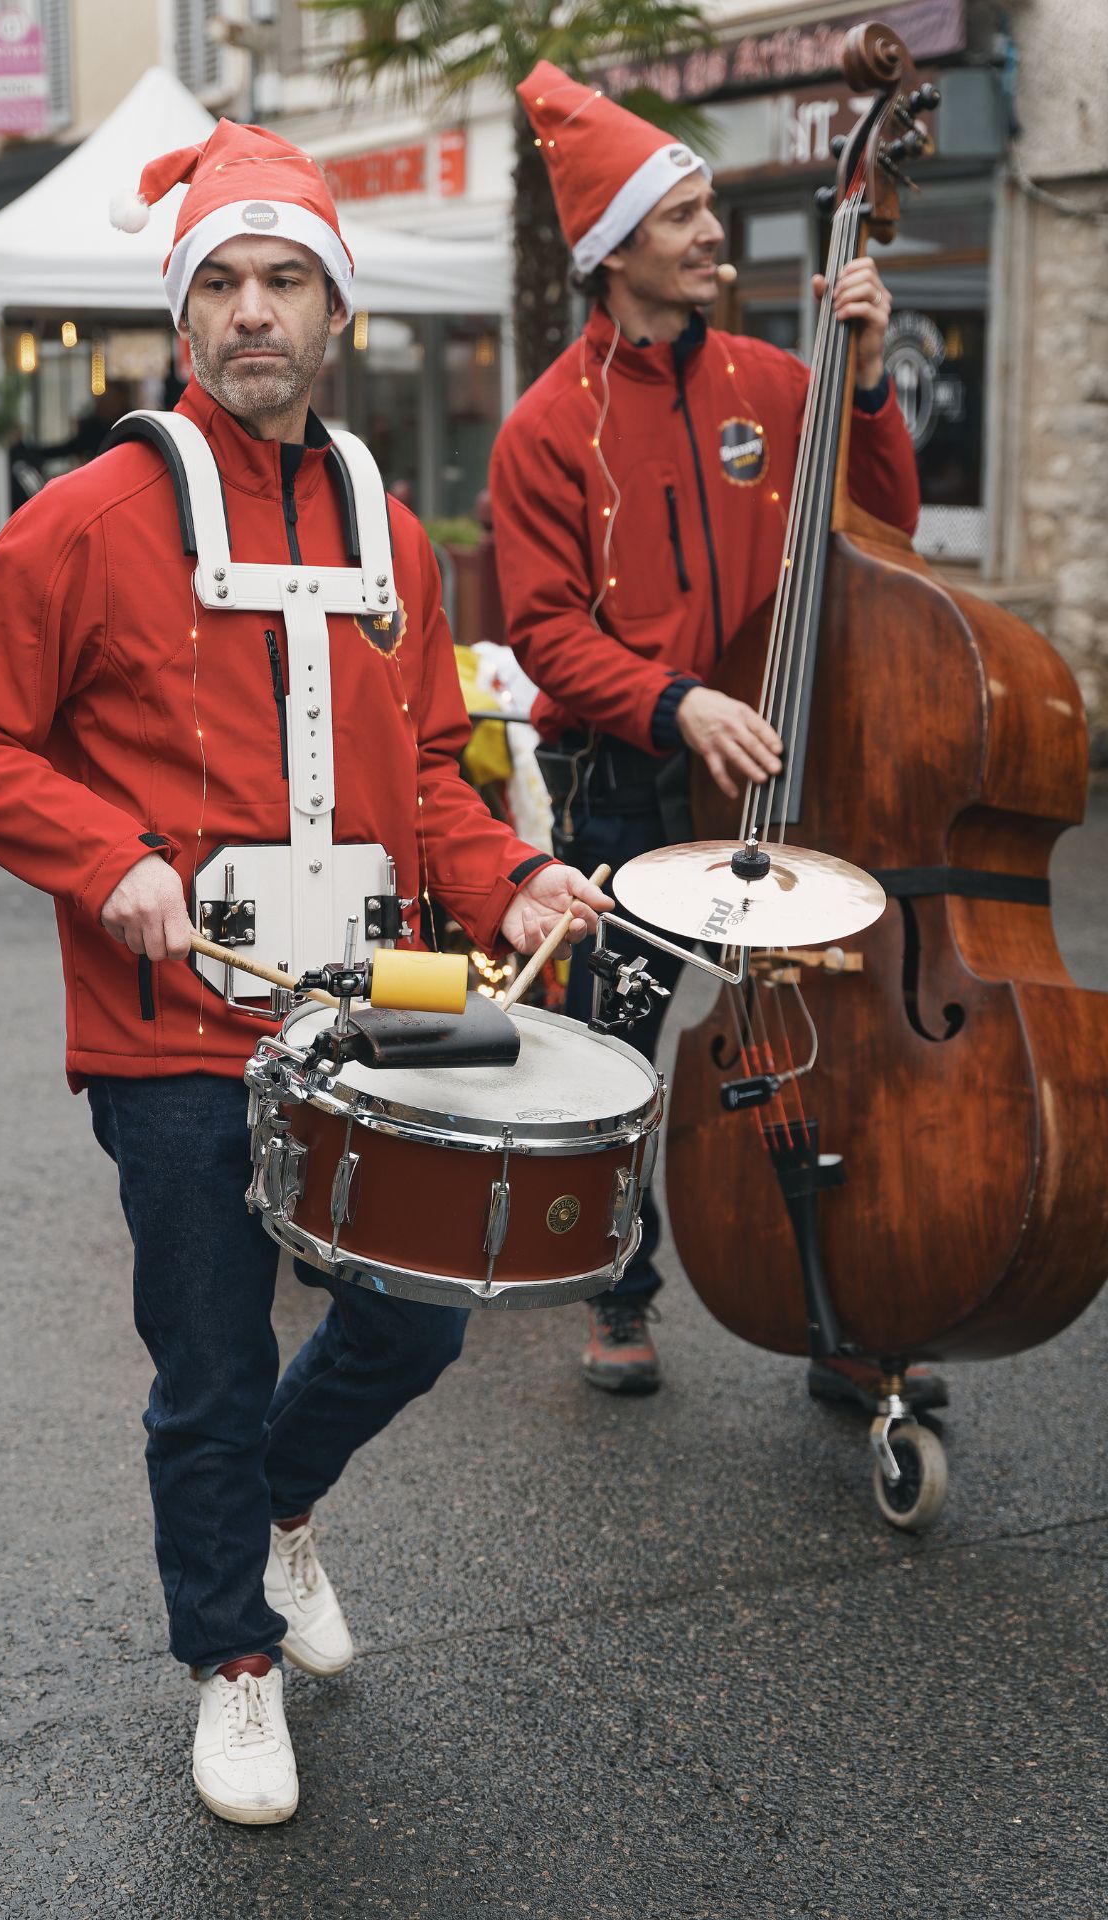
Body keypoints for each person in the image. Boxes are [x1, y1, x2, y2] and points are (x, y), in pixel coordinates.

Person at [0, 119, 611, 1827]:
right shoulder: (85, 518)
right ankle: (231, 1663)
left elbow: (435, 762)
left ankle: (280, 1512)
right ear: (182, 313)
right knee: (209, 1361)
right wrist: (108, 861)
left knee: (422, 1319)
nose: (254, 311)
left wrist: (514, 868)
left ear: (336, 311)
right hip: (168, 1033)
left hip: (370, 1014)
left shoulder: (399, 542)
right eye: (221, 281)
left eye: (286, 278)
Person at [490, 65, 940, 1415]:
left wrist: (863, 379)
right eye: (682, 215)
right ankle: (621, 1287)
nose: (712, 234)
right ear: (614, 250)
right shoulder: (543, 427)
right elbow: (545, 632)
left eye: (707, 210)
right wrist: (671, 697)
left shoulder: (775, 377)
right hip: (628, 775)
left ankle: (841, 1309)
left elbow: (889, 518)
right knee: (617, 1042)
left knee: (815, 1036)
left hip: (779, 763)